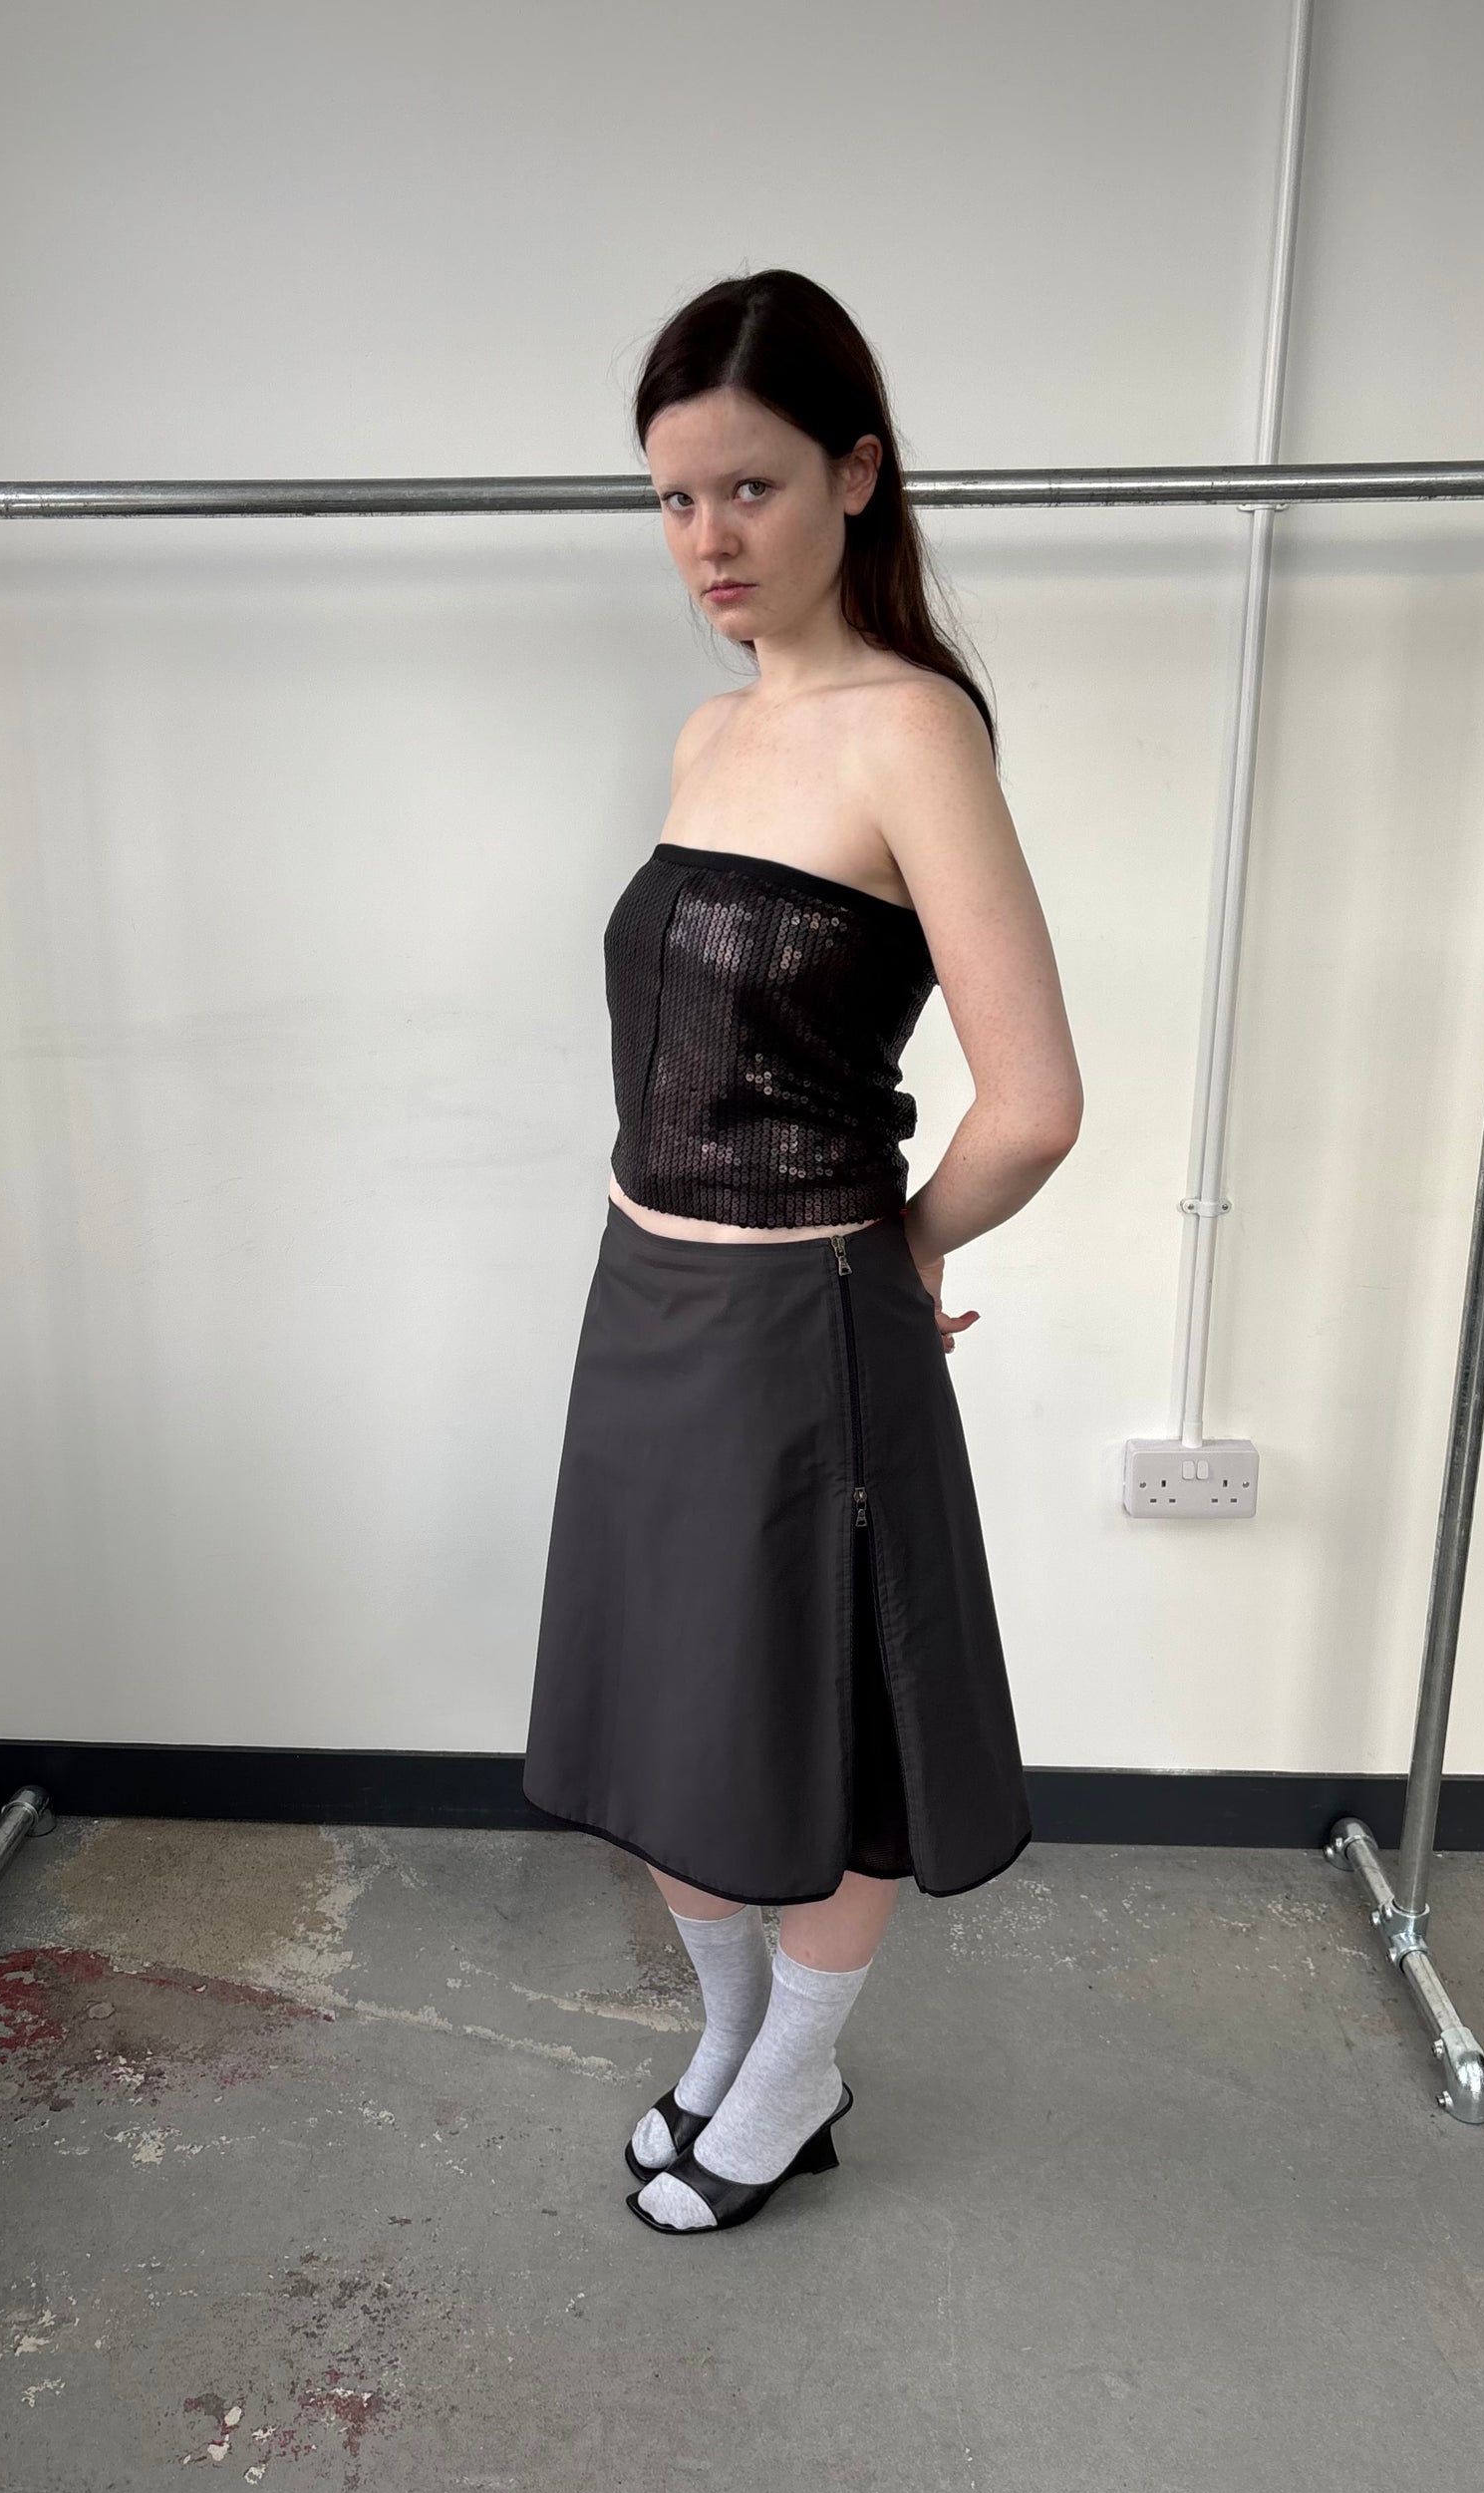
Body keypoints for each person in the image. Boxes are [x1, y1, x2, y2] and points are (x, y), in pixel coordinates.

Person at [522, 268, 1082, 2235]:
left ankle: (791, 2067)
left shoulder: (911, 731)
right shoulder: (709, 729)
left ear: (857, 472)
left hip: (799, 1313)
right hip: (642, 1298)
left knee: (817, 1722)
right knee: (668, 1707)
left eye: (747, 488)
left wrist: (899, 1258)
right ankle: (743, 2035)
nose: (708, 539)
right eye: (674, 499)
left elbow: (1033, 1099)